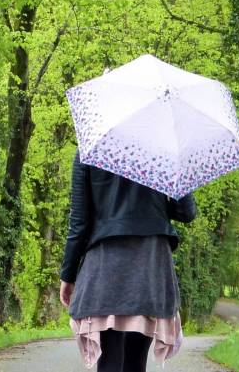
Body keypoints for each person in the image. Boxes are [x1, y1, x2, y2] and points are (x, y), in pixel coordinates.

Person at [59, 150, 197, 371]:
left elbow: (79, 222)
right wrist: (158, 200)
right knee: (136, 361)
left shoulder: (90, 149)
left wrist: (68, 274)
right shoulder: (163, 149)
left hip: (106, 263)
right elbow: (186, 212)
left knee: (109, 359)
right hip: (150, 262)